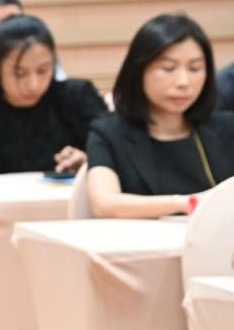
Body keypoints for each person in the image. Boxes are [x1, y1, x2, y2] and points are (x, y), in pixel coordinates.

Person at [86, 14, 234, 218]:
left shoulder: (228, 127)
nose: (183, 82)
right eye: (168, 68)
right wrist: (186, 203)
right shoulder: (109, 133)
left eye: (195, 68)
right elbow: (104, 204)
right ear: (138, 70)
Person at [0, 15, 107, 176]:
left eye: (43, 70)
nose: (33, 85)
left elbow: (113, 152)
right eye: (19, 73)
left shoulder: (77, 97)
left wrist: (89, 162)